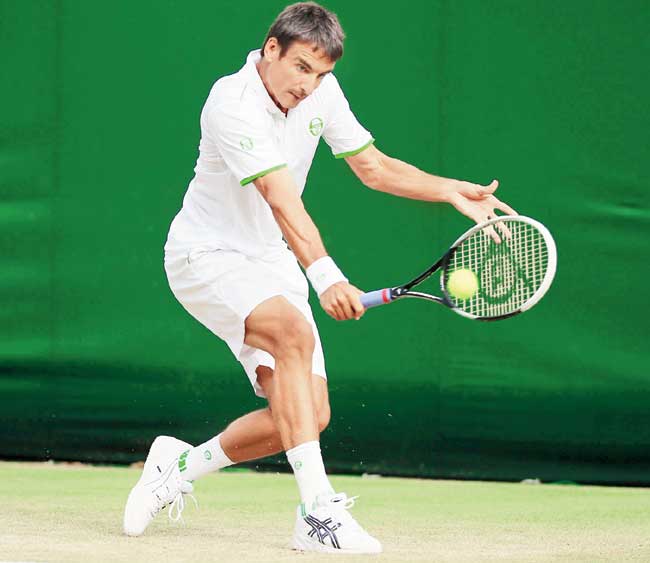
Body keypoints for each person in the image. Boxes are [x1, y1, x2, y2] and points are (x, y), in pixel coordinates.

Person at [123, 1, 515, 554]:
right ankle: (317, 514)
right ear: (271, 49)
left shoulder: (321, 94)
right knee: (294, 333)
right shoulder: (230, 102)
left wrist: (448, 188)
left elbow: (372, 166)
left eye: (322, 73)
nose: (310, 84)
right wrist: (327, 277)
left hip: (271, 259)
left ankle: (178, 466)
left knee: (307, 413)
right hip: (205, 256)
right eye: (302, 67)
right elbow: (281, 199)